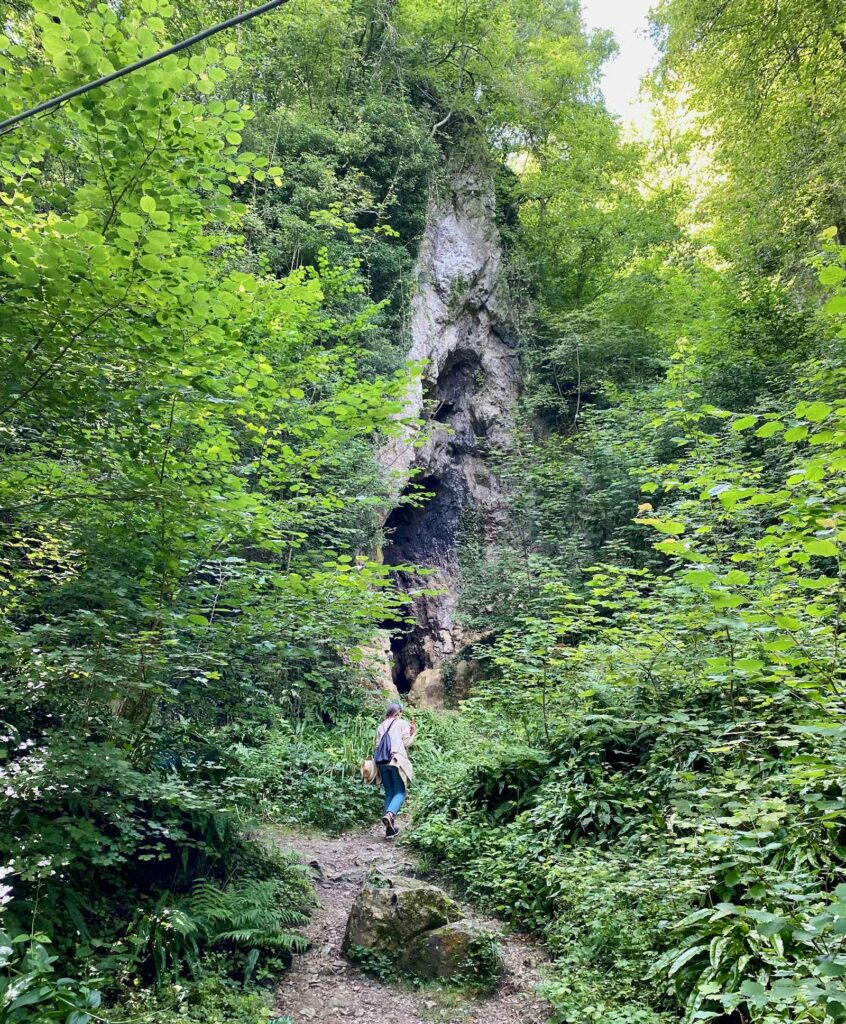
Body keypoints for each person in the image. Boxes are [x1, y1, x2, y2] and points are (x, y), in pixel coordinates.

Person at [374, 701, 416, 838]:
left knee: (390, 793)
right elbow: (406, 742)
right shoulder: (401, 723)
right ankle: (390, 814)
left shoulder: (381, 725)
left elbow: (377, 745)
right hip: (396, 761)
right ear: (398, 712)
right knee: (400, 792)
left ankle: (389, 829)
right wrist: (413, 732)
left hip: (382, 762)